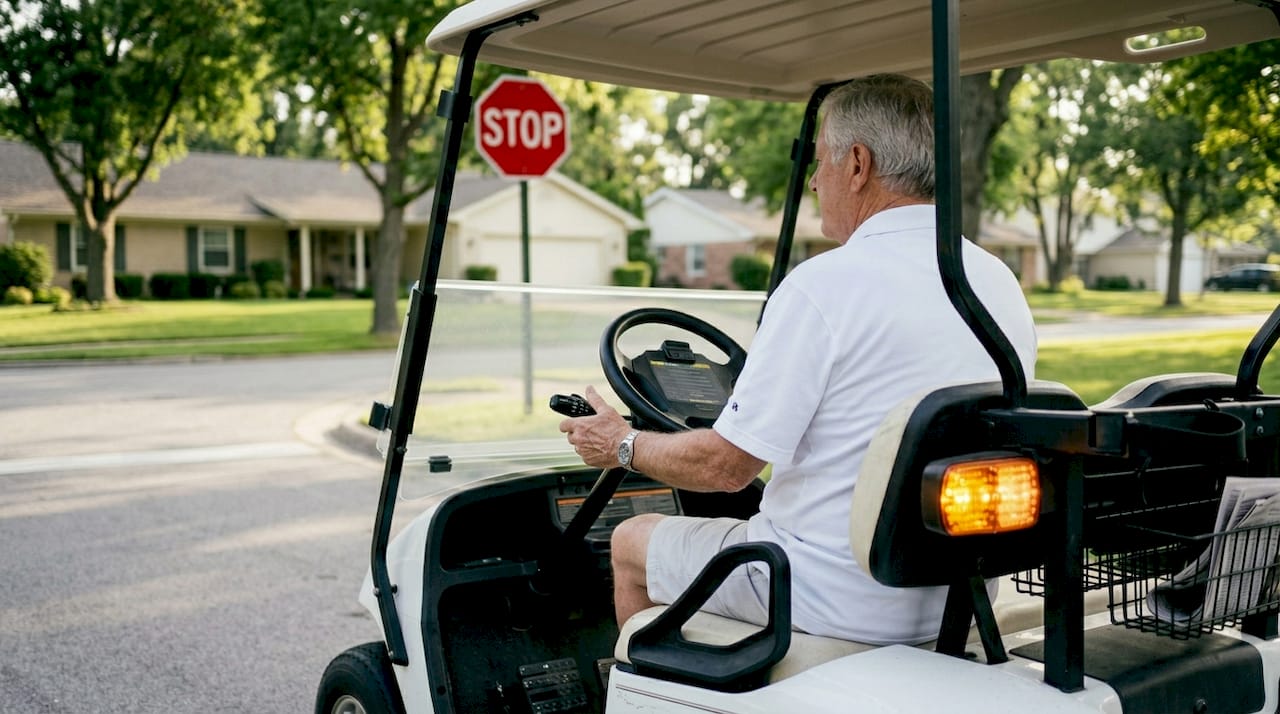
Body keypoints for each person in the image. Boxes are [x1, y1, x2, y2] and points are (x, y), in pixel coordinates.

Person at [560, 73, 1037, 645]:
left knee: (631, 542)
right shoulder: (995, 280)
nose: (813, 182)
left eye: (822, 162)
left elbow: (726, 468)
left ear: (857, 164)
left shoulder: (823, 285)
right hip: (957, 592)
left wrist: (620, 444)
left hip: (825, 594)